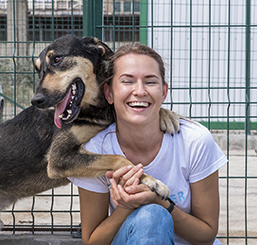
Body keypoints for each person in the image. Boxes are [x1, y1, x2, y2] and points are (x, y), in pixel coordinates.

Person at [68, 43, 227, 245]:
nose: (139, 91)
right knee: (150, 217)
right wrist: (126, 207)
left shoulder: (194, 140)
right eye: (127, 81)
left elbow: (206, 235)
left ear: (163, 92)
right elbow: (92, 241)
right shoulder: (97, 151)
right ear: (109, 93)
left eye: (150, 82)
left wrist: (160, 203)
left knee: (154, 212)